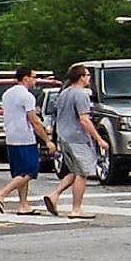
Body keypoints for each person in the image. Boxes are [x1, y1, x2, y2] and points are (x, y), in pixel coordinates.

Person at [0, 68, 56, 216]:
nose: (35, 80)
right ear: (25, 78)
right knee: (31, 171)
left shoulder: (7, 94)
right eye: (34, 77)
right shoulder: (27, 96)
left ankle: (23, 205)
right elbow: (34, 120)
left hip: (11, 136)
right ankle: (1, 193)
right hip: (25, 137)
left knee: (20, 173)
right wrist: (47, 140)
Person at [50, 64, 104, 218]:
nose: (89, 78)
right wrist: (99, 139)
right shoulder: (81, 95)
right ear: (81, 77)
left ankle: (54, 194)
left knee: (74, 171)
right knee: (82, 174)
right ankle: (76, 209)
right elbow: (84, 120)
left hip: (64, 137)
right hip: (78, 138)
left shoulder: (64, 93)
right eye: (87, 75)